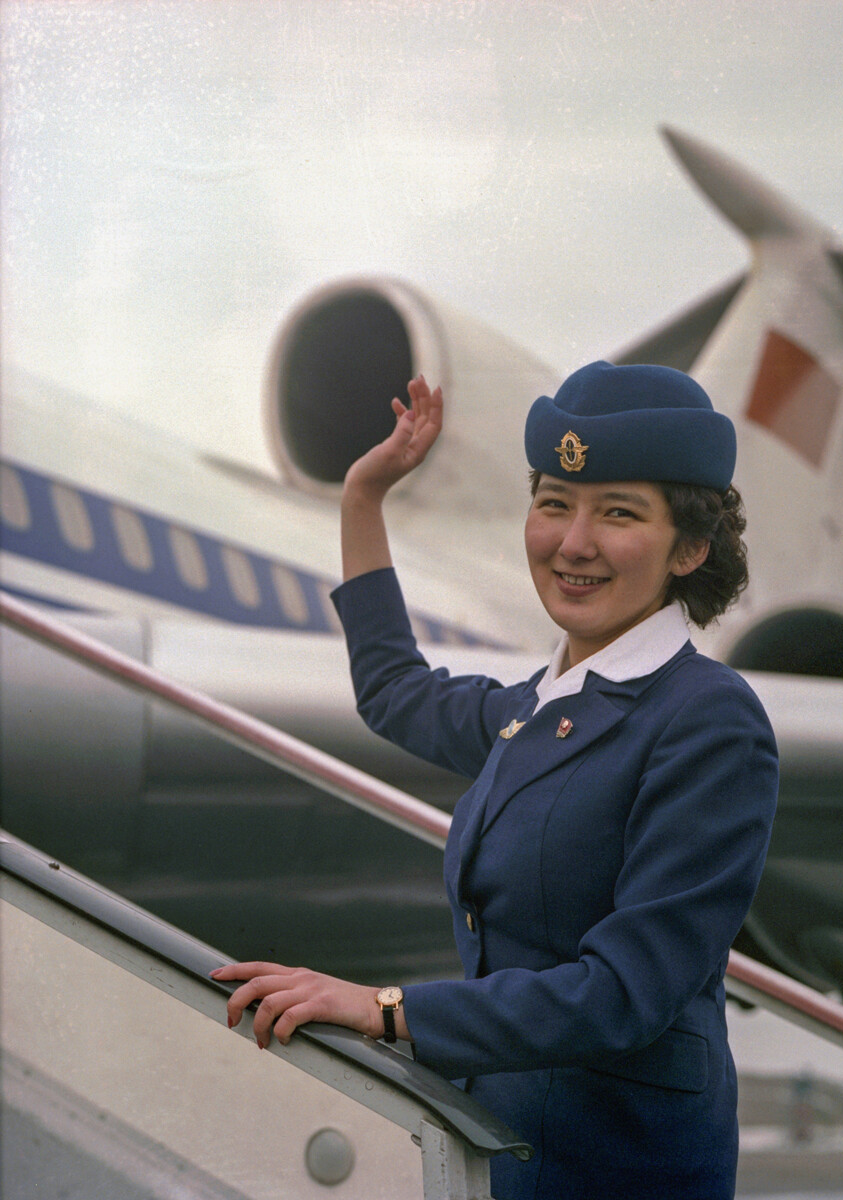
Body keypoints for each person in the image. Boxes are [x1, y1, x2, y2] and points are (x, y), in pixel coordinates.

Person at [213, 361, 780, 1199]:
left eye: (617, 513)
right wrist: (364, 499)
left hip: (621, 1170)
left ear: (691, 548)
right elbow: (394, 692)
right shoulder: (542, 708)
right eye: (553, 503)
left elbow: (626, 993)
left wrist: (388, 1010)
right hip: (495, 1156)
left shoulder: (708, 720)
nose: (572, 542)